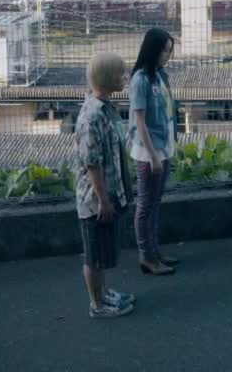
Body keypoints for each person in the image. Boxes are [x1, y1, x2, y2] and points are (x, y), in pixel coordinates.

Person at [73, 52, 136, 319]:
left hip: (106, 195)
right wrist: (103, 200)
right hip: (95, 200)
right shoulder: (92, 116)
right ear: (108, 77)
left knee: (100, 251)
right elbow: (92, 163)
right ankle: (97, 305)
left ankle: (103, 293)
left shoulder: (104, 107)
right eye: (122, 73)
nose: (126, 77)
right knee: (93, 256)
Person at [129, 28, 180, 275]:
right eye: (164, 50)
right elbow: (139, 122)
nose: (167, 55)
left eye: (169, 51)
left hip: (163, 146)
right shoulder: (141, 80)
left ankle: (154, 251)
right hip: (149, 152)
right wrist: (152, 156)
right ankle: (146, 256)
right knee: (145, 205)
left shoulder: (159, 75)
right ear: (153, 50)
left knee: (154, 203)